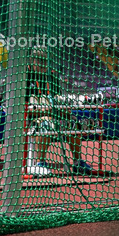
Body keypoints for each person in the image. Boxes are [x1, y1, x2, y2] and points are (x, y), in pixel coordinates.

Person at [26, 47, 93, 176]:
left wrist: (65, 113)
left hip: (51, 115)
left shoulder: (52, 77)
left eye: (45, 61)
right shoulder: (25, 76)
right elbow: (24, 106)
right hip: (29, 118)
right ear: (32, 60)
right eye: (40, 60)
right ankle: (40, 163)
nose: (43, 64)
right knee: (45, 123)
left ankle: (78, 162)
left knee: (74, 123)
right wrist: (48, 112)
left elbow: (56, 101)